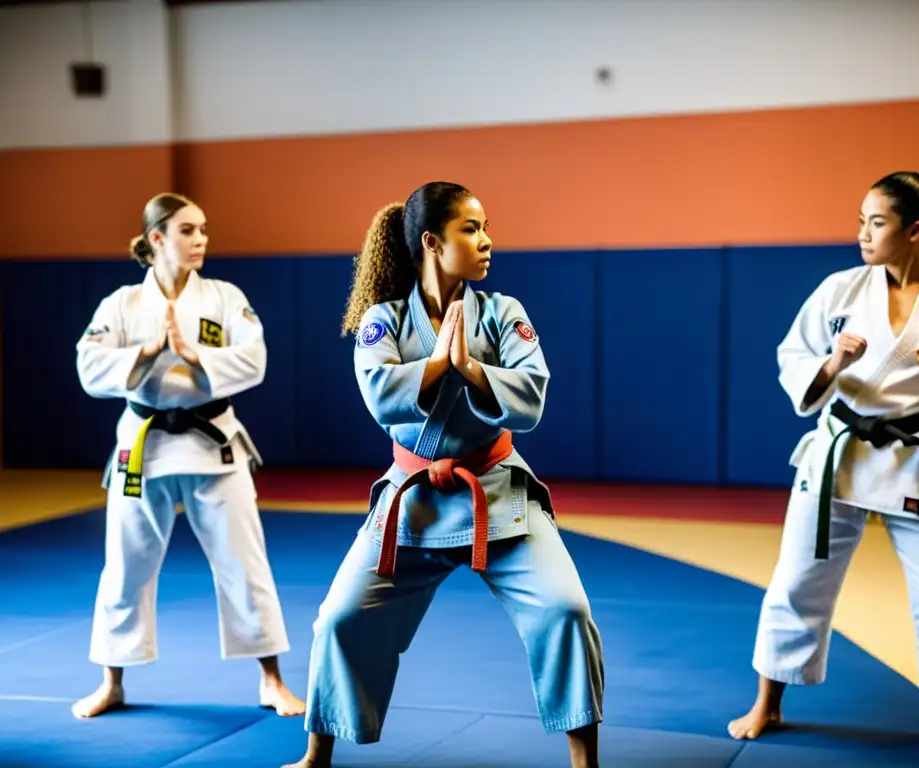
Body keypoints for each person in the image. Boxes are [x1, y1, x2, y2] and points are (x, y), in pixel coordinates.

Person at [283, 182, 604, 768]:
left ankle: (586, 762)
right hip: (414, 502)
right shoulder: (383, 321)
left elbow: (531, 400)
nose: (487, 242)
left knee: (567, 611)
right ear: (432, 241)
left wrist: (471, 369)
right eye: (471, 229)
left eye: (484, 228)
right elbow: (381, 397)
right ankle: (315, 756)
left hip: (498, 491)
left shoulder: (505, 314)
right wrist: (439, 364)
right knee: (338, 618)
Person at [727, 164, 919, 755]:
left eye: (877, 222)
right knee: (796, 581)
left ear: (915, 231)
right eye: (860, 221)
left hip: (915, 458)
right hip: (839, 455)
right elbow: (793, 355)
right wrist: (831, 365)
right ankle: (767, 702)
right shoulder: (839, 290)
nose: (863, 233)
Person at [73, 192, 305, 719]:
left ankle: (271, 680)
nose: (201, 240)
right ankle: (112, 682)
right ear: (157, 238)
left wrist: (196, 353)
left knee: (244, 564)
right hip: (143, 447)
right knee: (125, 567)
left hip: (213, 444)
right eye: (187, 231)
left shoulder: (224, 297)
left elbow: (255, 358)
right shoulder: (123, 305)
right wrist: (146, 352)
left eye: (203, 230)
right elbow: (89, 365)